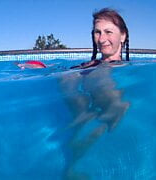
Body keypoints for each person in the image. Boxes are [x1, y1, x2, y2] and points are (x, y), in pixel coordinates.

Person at [60, 8, 130, 179]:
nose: (102, 39)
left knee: (99, 74)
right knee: (66, 78)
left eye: (108, 32)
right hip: (85, 116)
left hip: (115, 117)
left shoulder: (121, 68)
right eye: (97, 32)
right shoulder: (88, 66)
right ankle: (83, 132)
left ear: (123, 36)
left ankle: (97, 135)